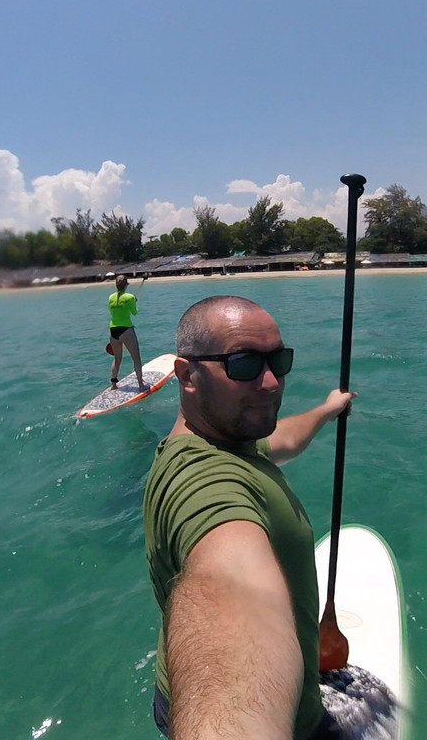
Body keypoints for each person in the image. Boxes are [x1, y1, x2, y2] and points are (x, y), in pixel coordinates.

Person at [143, 295, 355, 739]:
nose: (272, 382)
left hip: (172, 696)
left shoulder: (225, 437)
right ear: (187, 375)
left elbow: (280, 441)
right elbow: (230, 589)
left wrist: (325, 410)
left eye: (279, 360)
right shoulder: (203, 483)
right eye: (243, 364)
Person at [108, 274, 148, 390]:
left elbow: (113, 311)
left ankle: (114, 385)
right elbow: (134, 312)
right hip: (126, 329)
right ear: (126, 285)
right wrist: (134, 302)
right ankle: (141, 385)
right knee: (136, 357)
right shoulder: (130, 297)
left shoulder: (111, 297)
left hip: (113, 330)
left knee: (117, 358)